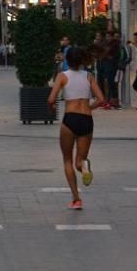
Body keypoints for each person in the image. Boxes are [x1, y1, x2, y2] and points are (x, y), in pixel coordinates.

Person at [47, 46, 105, 211]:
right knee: (80, 160)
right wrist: (89, 108)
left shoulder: (62, 76)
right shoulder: (89, 76)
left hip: (70, 118)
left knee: (67, 159)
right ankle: (84, 168)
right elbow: (101, 99)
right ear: (81, 60)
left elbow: (51, 99)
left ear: (67, 60)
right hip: (86, 119)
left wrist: (51, 109)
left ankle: (76, 199)